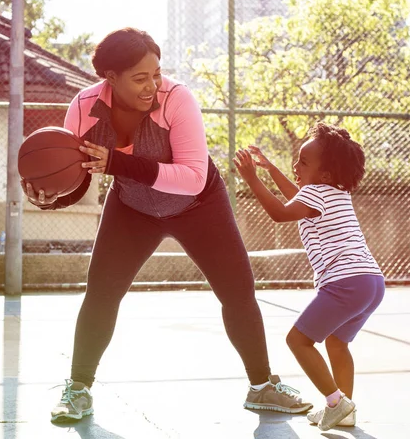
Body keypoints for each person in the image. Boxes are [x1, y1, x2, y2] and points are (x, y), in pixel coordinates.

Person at [20, 28, 312, 423]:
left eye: (156, 73)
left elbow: (191, 176)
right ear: (110, 78)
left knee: (238, 291)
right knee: (101, 292)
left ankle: (262, 387)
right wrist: (55, 197)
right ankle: (77, 390)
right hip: (132, 207)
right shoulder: (84, 107)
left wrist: (119, 164)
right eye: (140, 78)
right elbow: (82, 176)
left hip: (199, 204)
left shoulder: (178, 99)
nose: (152, 85)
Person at [233, 123, 385, 431]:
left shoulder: (316, 194)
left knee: (298, 341)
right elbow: (294, 196)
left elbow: (280, 211)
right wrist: (270, 167)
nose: (295, 165)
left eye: (303, 162)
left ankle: (335, 402)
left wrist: (252, 178)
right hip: (371, 282)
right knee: (337, 343)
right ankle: (346, 410)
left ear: (325, 175)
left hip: (345, 281)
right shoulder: (334, 193)